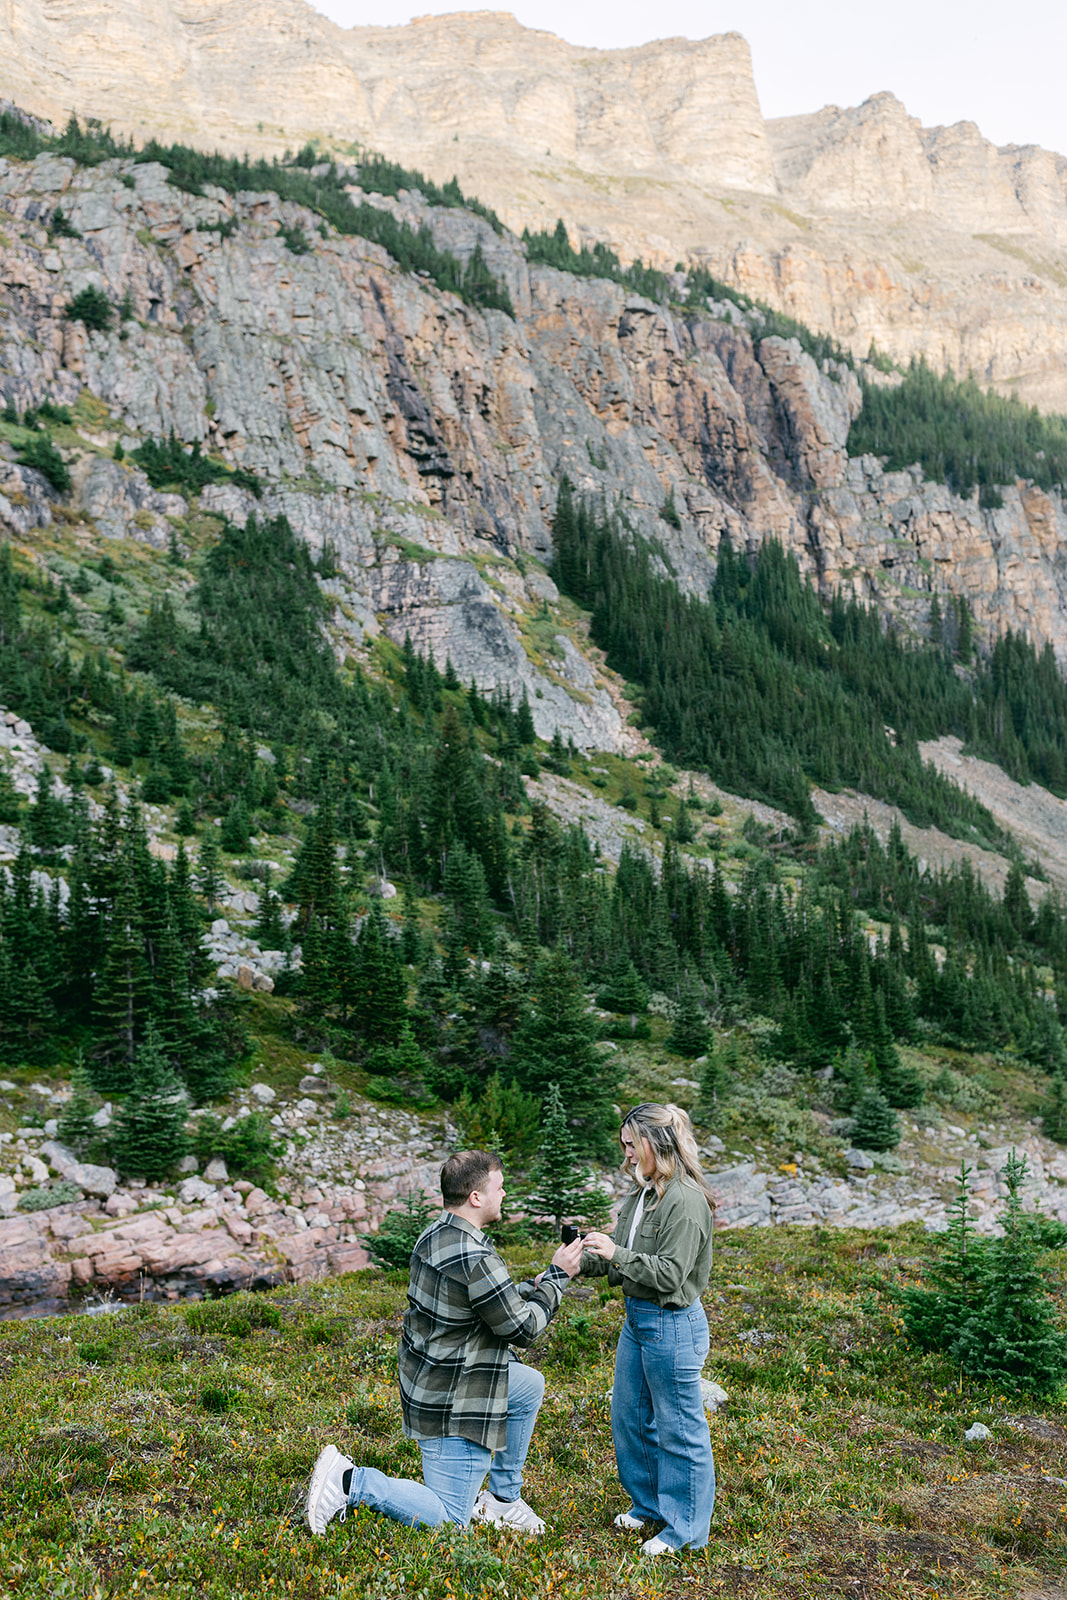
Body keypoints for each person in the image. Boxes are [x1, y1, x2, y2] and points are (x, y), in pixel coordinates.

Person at [306, 1148, 585, 1537]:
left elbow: (480, 1300)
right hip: (453, 1400)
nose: (504, 1195)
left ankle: (503, 1502)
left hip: (428, 1379)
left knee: (528, 1386)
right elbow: (522, 1331)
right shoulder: (477, 1256)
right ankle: (352, 1481)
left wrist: (527, 1287)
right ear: (476, 1197)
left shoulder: (435, 1235)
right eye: (499, 1188)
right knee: (452, 1519)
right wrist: (557, 1278)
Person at [581, 1102, 716, 1557]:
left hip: (673, 1325)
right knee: (629, 1418)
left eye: (630, 1144)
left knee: (680, 1429)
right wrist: (579, 1262)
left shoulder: (685, 1200)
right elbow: (623, 1259)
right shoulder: (641, 1197)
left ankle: (686, 1531)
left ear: (655, 1142)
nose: (626, 1154)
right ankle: (649, 1506)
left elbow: (671, 1274)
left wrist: (615, 1254)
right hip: (638, 1322)